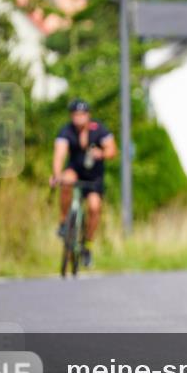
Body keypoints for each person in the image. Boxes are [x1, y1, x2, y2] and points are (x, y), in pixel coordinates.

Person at [49, 99, 117, 266]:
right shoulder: (66, 131)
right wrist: (56, 174)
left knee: (94, 207)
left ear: (88, 115)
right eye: (76, 115)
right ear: (71, 116)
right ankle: (64, 222)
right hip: (76, 171)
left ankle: (87, 245)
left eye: (82, 114)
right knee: (66, 180)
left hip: (94, 177)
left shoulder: (99, 129)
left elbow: (112, 150)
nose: (79, 118)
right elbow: (60, 154)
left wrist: (101, 153)